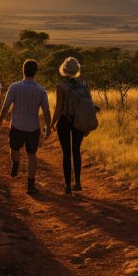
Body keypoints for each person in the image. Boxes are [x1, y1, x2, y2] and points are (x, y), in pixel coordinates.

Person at [0, 59, 51, 194]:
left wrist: (0, 120)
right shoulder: (41, 91)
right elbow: (46, 111)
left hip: (16, 125)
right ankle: (30, 185)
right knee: (31, 154)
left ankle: (15, 164)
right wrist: (49, 127)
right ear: (35, 72)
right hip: (33, 128)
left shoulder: (14, 87)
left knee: (14, 148)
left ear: (23, 70)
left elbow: (6, 105)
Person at [50, 57, 89, 194]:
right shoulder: (84, 85)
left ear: (64, 70)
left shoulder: (61, 86)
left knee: (66, 153)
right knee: (76, 151)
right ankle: (78, 183)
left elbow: (59, 108)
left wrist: (51, 123)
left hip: (64, 122)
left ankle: (67, 185)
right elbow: (88, 106)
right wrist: (86, 125)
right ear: (77, 70)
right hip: (79, 121)